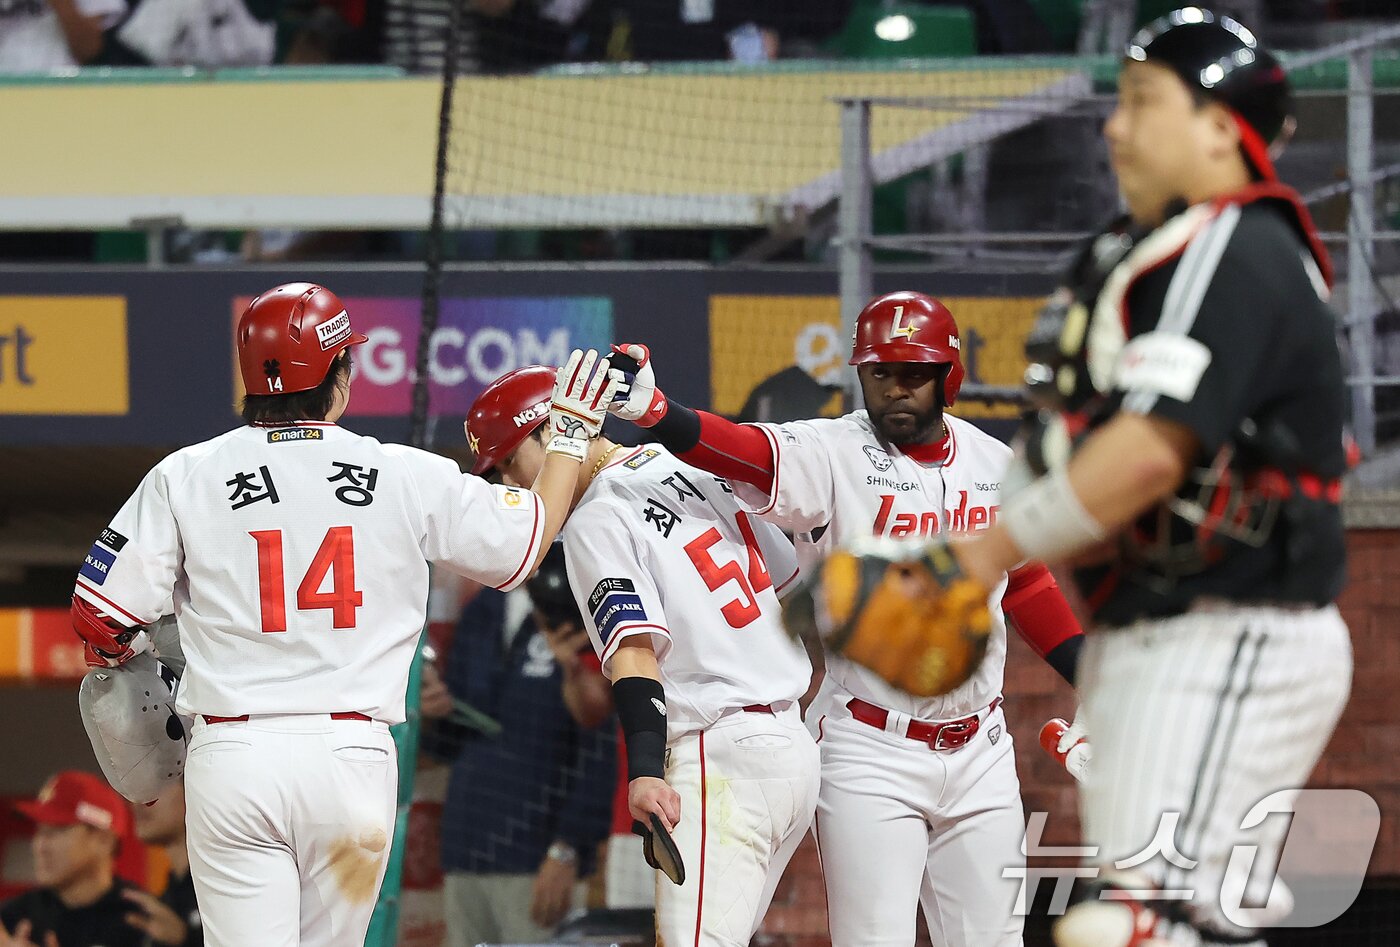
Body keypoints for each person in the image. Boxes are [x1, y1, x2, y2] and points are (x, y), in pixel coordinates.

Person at [900, 9, 1351, 947]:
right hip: (1160, 631)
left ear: (1223, 128)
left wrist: (971, 559)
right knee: (1174, 918)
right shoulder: (1144, 250)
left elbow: (1153, 448)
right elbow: (1072, 444)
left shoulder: (1233, 242)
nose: (1115, 125)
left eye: (1145, 102)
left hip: (1229, 629)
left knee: (1141, 923)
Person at [69, 282, 618, 947]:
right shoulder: (404, 472)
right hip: (350, 756)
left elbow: (100, 617)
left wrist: (140, 667)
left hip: (236, 754)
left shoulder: (185, 473)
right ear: (341, 376)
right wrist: (567, 436)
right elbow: (526, 543)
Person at [604, 293, 1086, 946]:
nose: (896, 388)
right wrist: (661, 415)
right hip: (870, 746)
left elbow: (1025, 580)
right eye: (880, 372)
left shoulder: (993, 464)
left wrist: (1092, 675)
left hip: (982, 751)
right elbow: (744, 451)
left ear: (949, 376)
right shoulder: (831, 450)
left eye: (914, 372)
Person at [466, 365, 820, 947]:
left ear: (556, 431)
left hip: (719, 755)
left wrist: (647, 772)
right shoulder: (692, 464)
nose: (512, 483)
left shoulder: (594, 518)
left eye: (509, 461)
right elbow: (787, 585)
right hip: (791, 749)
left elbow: (634, 654)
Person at [424, 545, 616, 947]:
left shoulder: (579, 600)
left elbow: (600, 743)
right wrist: (436, 713)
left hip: (537, 855)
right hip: (466, 844)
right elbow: (451, 742)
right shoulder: (483, 608)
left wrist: (569, 848)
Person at [1, 771, 142, 947]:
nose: (40, 846)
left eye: (57, 829)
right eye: (40, 831)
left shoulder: (142, 923)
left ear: (103, 841)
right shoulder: (13, 919)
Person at [127, 780, 201, 947]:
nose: (139, 801)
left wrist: (186, 938)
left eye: (157, 785)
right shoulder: (167, 898)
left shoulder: (228, 880)